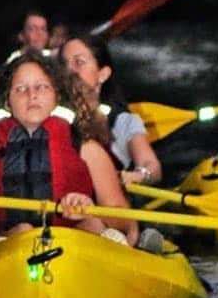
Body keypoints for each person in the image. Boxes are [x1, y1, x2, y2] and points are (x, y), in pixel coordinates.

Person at [0, 50, 140, 248]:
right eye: (21, 89)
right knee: (23, 231)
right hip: (13, 251)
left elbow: (123, 220)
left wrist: (90, 209)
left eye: (42, 87)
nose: (32, 95)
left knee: (91, 225)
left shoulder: (88, 150)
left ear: (57, 95)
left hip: (79, 247)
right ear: (8, 101)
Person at [59, 33, 162, 186]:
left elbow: (151, 166)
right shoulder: (47, 114)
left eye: (79, 62)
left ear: (103, 74)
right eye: (63, 64)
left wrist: (137, 176)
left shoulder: (122, 121)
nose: (69, 71)